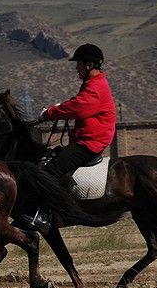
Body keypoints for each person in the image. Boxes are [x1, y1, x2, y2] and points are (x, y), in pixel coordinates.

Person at [20, 43, 116, 234]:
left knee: (48, 173)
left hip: (90, 143)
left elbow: (79, 107)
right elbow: (76, 104)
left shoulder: (96, 87)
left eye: (78, 64)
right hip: (85, 140)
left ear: (88, 65)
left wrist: (49, 113)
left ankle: (44, 215)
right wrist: (59, 108)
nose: (76, 69)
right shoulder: (92, 85)